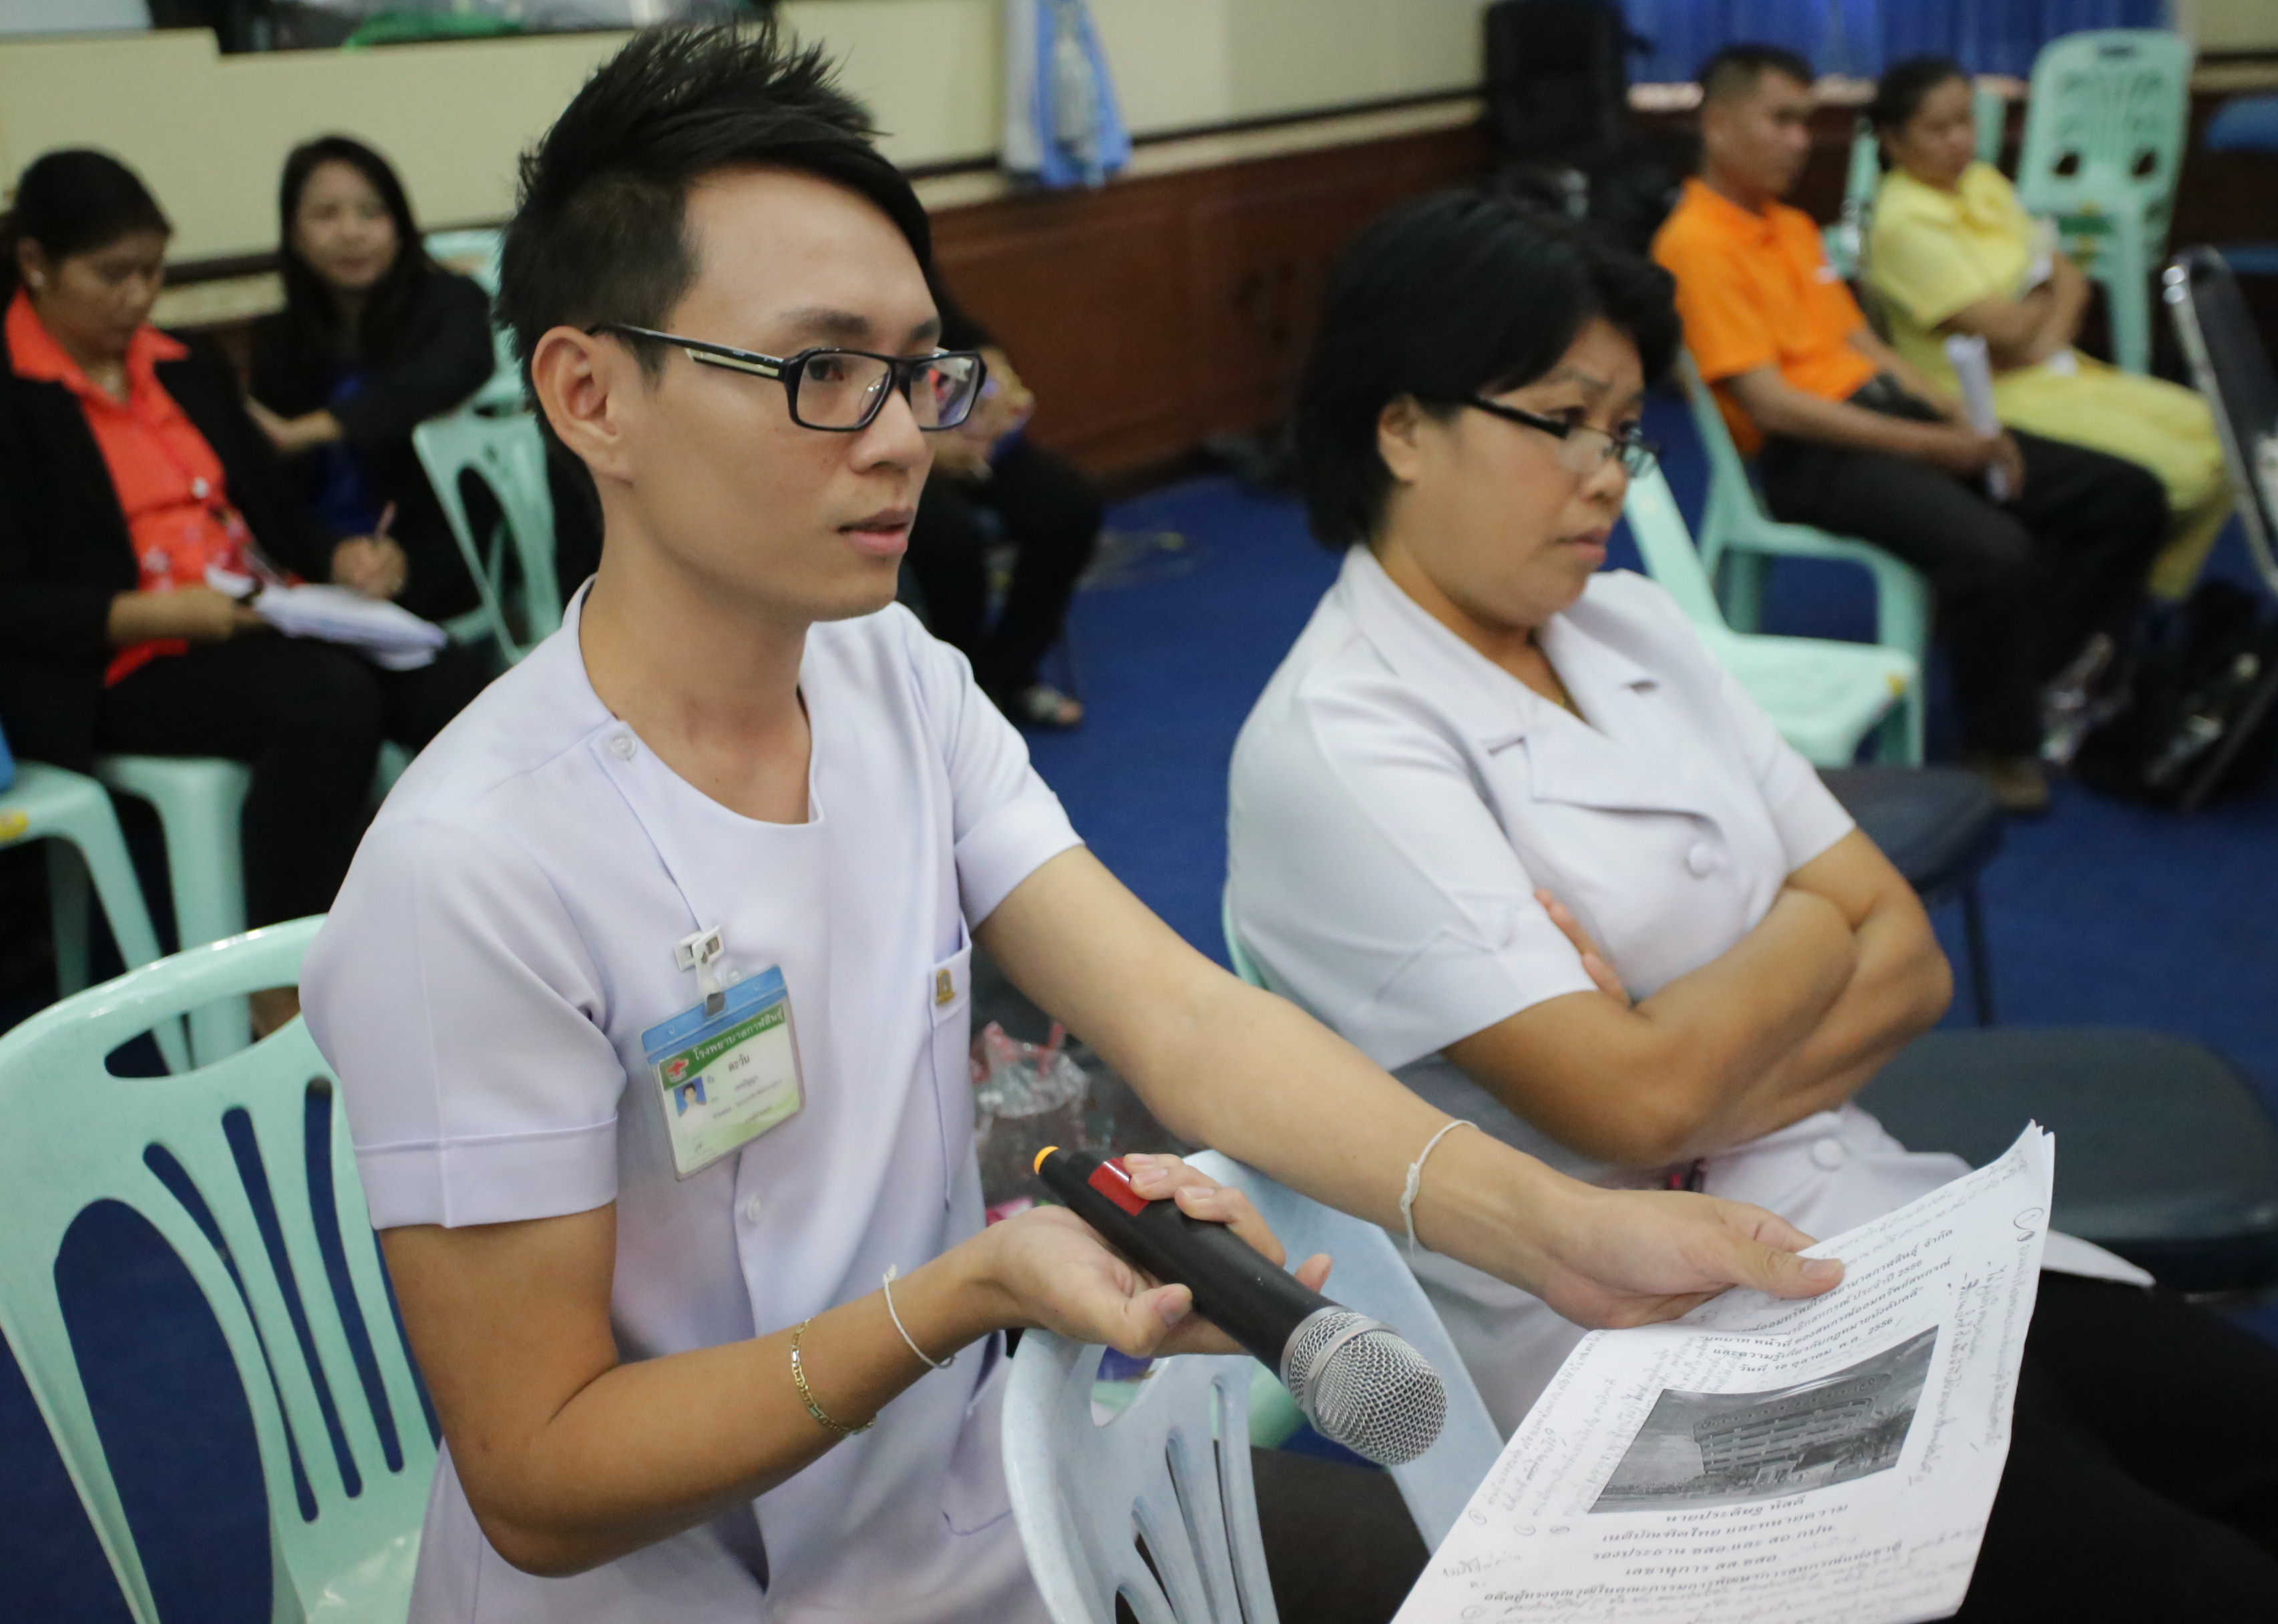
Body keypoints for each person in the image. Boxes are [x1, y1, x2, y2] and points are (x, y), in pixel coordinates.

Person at [298, 28, 1847, 1624]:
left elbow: (1183, 1017)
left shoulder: (891, 677)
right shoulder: (475, 869)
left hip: (982, 1503)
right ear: (590, 396)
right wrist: (958, 1294)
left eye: (918, 369)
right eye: (821, 372)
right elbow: (540, 1476)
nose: (900, 435)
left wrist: (1563, 1232)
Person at [1228, 184, 2278, 1624]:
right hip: (1660, 1365)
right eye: (1563, 422)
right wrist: (1804, 935)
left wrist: (1682, 1049)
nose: (1609, 476)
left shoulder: (1628, 623)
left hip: (1882, 1225)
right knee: (2222, 1594)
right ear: (1401, 427)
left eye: (1626, 432)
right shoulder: (1339, 744)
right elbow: (1643, 1091)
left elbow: (1904, 957)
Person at [0, 149, 488, 1027]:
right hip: (121, 659)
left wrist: (343, 560)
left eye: (153, 271)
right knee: (328, 702)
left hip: (258, 615)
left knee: (451, 677)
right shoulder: (14, 396)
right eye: (112, 275)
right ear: (36, 263)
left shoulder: (182, 363)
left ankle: (468, 935)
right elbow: (15, 601)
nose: (138, 297)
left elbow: (271, 513)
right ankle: (281, 982)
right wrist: (152, 613)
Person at [1652, 45, 2170, 813]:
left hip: (1885, 418)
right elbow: (1773, 405)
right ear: (1719, 125)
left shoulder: (1792, 226)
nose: (1800, 141)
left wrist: (1959, 413)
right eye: (1781, 121)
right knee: (1994, 551)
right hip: (1810, 455)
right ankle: (1998, 746)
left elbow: (1865, 345)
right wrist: (1938, 446)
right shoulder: (1695, 242)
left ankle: (2038, 674)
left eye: (1806, 122)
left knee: (2125, 494)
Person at [1863, 56, 2233, 600]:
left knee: (2223, 437)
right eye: (1938, 130)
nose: (1961, 140)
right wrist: (2043, 302)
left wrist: (2042, 332)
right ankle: (2121, 605)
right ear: (1893, 141)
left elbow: (2070, 280)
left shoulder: (1981, 181)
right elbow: (2011, 325)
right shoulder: (1902, 222)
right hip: (1988, 398)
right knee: (2183, 477)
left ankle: (2148, 600)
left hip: (2052, 368)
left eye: (1966, 121)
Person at [248, 135, 500, 625]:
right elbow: (271, 487)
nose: (351, 233)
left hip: (430, 544)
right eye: (326, 215)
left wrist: (308, 431)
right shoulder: (278, 337)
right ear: (294, 234)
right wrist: (329, 554)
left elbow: (446, 374)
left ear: (401, 227)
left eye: (372, 212)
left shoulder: (450, 303)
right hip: (315, 557)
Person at [900, 282, 1099, 727]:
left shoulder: (906, 257)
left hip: (946, 417)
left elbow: (963, 334)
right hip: (884, 438)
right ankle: (960, 689)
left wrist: (997, 385)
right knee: (950, 537)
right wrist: (925, 443)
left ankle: (1008, 674)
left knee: (1069, 505)